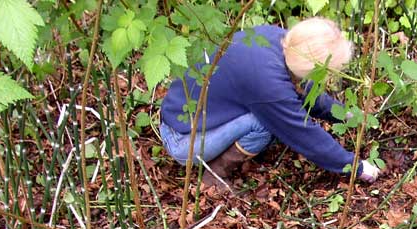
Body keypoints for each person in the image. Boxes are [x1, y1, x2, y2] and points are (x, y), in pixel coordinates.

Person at [159, 17, 382, 187]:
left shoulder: (275, 37)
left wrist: (347, 115)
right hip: (183, 140)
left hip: (178, 113)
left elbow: (305, 93)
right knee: (264, 125)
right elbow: (304, 134)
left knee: (270, 119)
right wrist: (356, 167)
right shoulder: (267, 86)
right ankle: (215, 176)